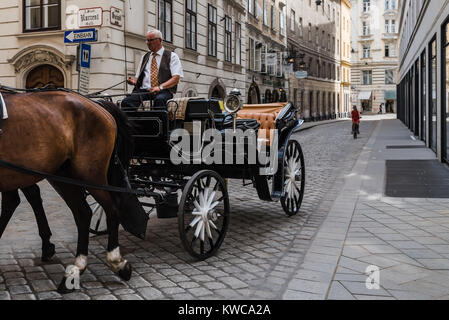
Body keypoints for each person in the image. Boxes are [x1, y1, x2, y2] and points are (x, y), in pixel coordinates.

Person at [122, 29, 184, 110]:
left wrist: (160, 87)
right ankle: (133, 122)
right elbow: (138, 80)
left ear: (160, 40)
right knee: (126, 102)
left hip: (163, 91)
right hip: (145, 91)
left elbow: (176, 78)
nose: (148, 43)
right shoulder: (145, 57)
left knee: (160, 100)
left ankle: (159, 122)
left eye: (150, 40)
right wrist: (133, 82)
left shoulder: (172, 56)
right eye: (147, 40)